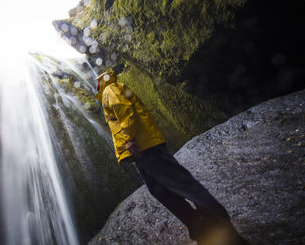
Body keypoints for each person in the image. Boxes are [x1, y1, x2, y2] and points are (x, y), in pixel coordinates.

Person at [95, 69, 249, 245]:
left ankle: (226, 232)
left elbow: (126, 111)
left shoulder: (110, 89)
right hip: (141, 151)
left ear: (99, 82)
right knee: (161, 191)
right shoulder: (109, 90)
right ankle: (203, 231)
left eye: (96, 83)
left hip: (145, 146)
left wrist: (129, 139)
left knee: (183, 185)